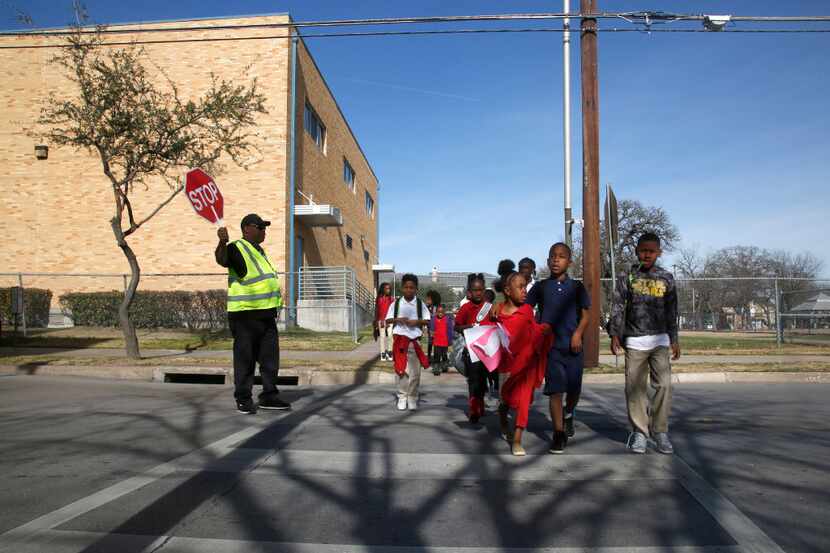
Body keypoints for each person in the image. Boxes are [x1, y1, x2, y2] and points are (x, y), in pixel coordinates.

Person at [608, 232, 681, 455]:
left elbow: (672, 310)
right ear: (637, 251)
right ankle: (640, 432)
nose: (646, 254)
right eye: (642, 250)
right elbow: (618, 306)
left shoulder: (666, 277)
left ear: (659, 252)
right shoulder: (628, 277)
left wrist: (674, 338)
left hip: (660, 340)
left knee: (664, 385)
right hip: (635, 341)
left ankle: (659, 431)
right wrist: (615, 334)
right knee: (635, 388)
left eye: (651, 251)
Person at [215, 214, 290, 414]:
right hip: (245, 316)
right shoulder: (235, 247)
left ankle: (269, 396)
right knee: (245, 359)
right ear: (247, 228)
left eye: (265, 228)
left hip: (266, 315)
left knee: (270, 360)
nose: (264, 231)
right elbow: (222, 259)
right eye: (260, 227)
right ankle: (243, 398)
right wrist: (222, 242)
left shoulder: (260, 252)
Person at [525, 243, 590, 454]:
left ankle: (569, 413)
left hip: (573, 347)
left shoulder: (577, 288)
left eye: (561, 257)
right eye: (552, 256)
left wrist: (578, 333)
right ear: (547, 261)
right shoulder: (542, 287)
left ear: (569, 262)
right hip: (551, 348)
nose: (556, 260)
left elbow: (586, 315)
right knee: (555, 390)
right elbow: (524, 307)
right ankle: (558, 433)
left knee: (573, 389)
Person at [495, 270, 553, 456]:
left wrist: (543, 331)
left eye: (525, 287)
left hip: (526, 364)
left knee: (523, 404)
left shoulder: (528, 310)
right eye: (520, 287)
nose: (524, 291)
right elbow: (487, 332)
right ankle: (503, 419)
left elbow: (534, 330)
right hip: (506, 365)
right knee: (506, 400)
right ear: (507, 290)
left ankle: (517, 439)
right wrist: (493, 309)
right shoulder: (497, 311)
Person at [385, 274, 431, 411]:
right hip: (400, 340)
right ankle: (402, 396)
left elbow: (427, 320)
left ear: (416, 289)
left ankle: (412, 397)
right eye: (406, 287)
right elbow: (388, 320)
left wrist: (416, 322)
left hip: (414, 342)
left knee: (415, 372)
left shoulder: (419, 304)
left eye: (412, 287)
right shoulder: (397, 304)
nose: (409, 290)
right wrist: (398, 320)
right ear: (402, 288)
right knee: (401, 370)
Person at [453, 273, 494, 423]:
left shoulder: (490, 307)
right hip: (471, 350)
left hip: (488, 350)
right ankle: (473, 409)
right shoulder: (466, 308)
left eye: (481, 290)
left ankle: (481, 403)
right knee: (473, 380)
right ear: (470, 291)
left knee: (483, 380)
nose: (478, 293)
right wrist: (467, 327)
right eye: (475, 290)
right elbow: (456, 326)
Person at [483, 288, 500, 398]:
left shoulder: (487, 308)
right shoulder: (495, 307)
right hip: (492, 341)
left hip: (486, 340)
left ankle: (490, 383)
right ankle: (495, 383)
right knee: (492, 366)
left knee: (487, 366)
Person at [374, 283, 394, 361]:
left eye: (389, 288)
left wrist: (389, 321)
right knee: (382, 337)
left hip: (390, 320)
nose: (388, 290)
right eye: (386, 288)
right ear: (383, 289)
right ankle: (382, 353)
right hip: (381, 320)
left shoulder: (392, 299)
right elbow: (377, 310)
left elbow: (392, 311)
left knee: (390, 336)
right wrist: (377, 321)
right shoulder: (379, 299)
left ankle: (389, 352)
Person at [431, 304, 453, 375]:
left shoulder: (447, 319)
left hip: (445, 341)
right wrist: (431, 336)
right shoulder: (434, 319)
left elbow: (450, 330)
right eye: (439, 312)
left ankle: (444, 366)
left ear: (444, 312)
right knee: (436, 355)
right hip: (437, 341)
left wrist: (450, 340)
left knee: (444, 355)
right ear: (436, 312)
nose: (440, 313)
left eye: (442, 312)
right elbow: (431, 329)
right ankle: (436, 368)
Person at [425, 290, 441, 364]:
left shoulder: (438, 307)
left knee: (436, 344)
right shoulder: (427, 307)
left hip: (437, 328)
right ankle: (428, 357)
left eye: (429, 299)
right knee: (430, 342)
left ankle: (436, 358)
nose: (427, 300)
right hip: (430, 328)